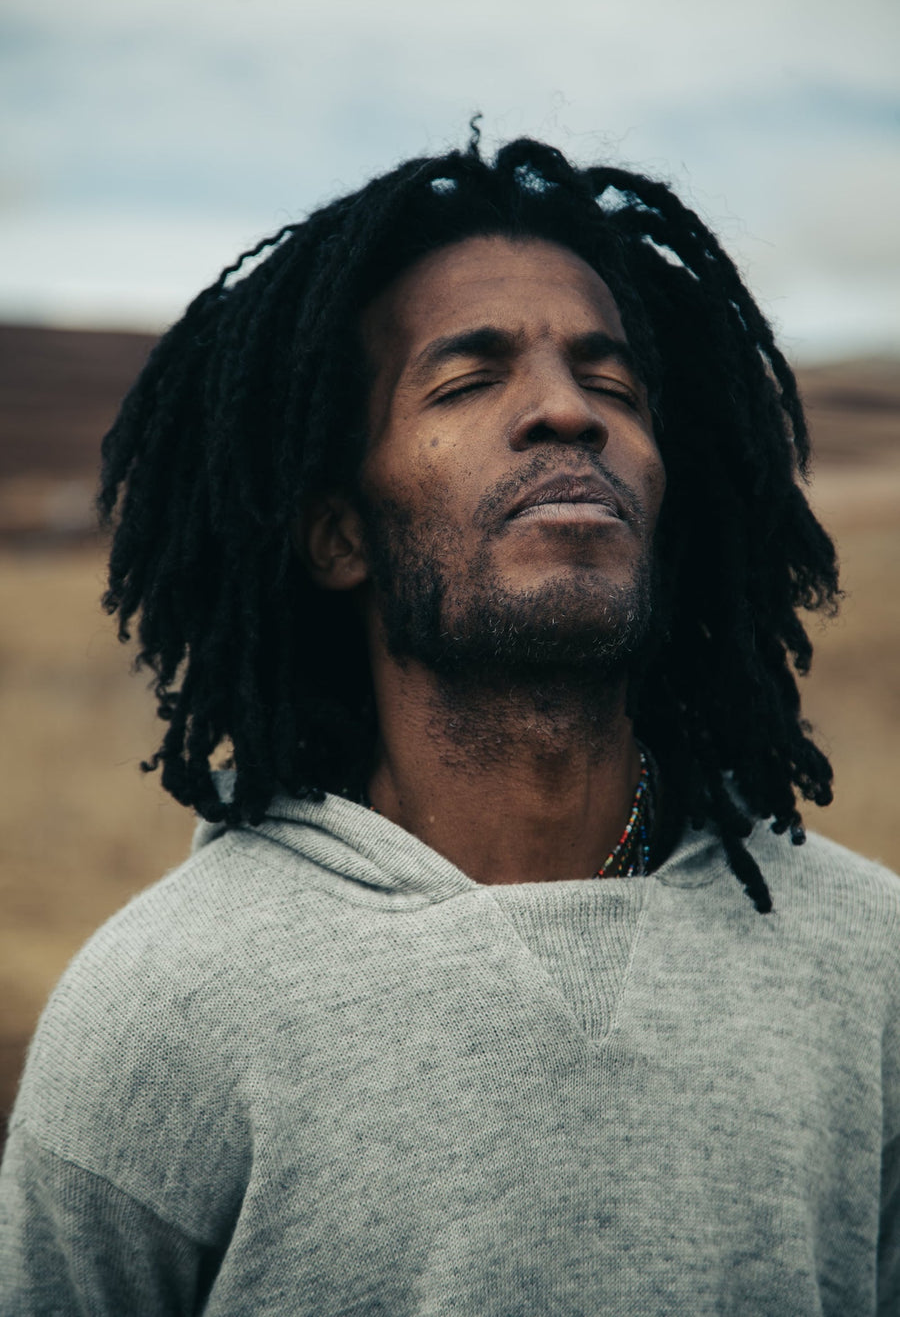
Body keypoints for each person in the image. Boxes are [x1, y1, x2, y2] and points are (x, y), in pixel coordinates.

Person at [1, 132, 897, 1316]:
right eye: (470, 380)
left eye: (612, 382)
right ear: (340, 537)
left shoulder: (870, 962)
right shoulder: (168, 1007)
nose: (567, 414)